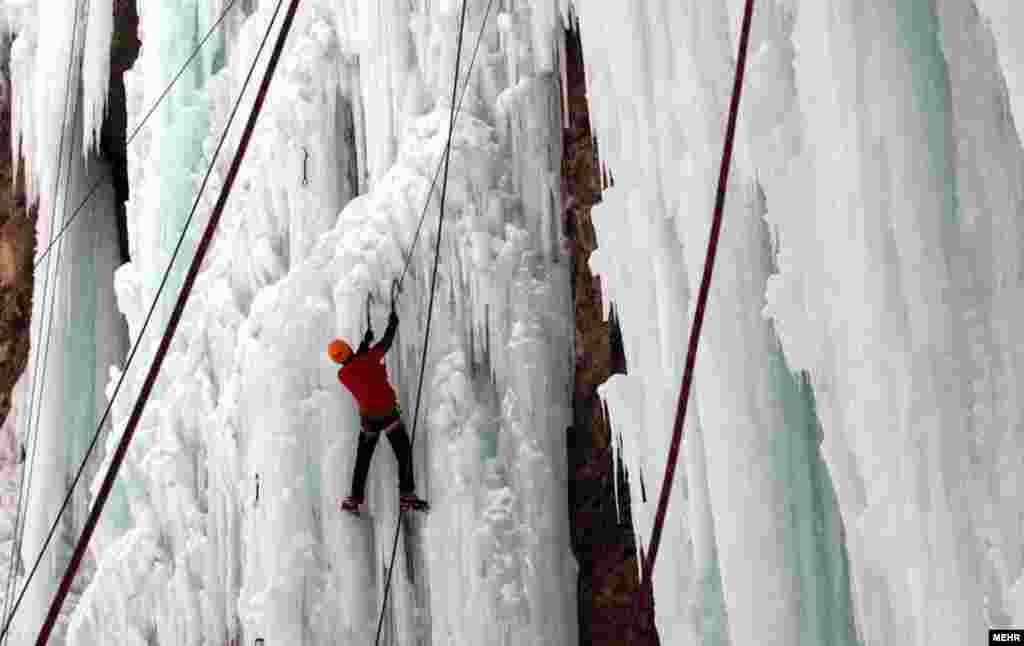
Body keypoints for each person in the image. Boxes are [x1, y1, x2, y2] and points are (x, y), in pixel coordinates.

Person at [328, 306, 428, 514]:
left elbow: (356, 361)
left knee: (362, 461)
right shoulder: (368, 358)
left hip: (369, 421)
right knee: (403, 452)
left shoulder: (343, 375)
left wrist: (365, 342)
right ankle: (407, 495)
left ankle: (354, 499)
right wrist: (392, 325)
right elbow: (385, 344)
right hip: (387, 414)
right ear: (347, 349)